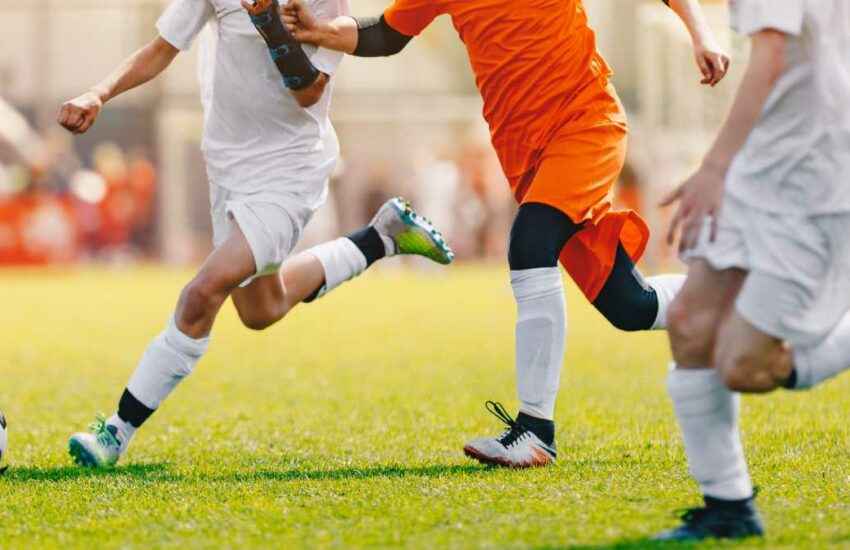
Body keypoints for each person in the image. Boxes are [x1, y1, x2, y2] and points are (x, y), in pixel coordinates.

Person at [281, 0, 729, 467]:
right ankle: (730, 293)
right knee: (630, 306)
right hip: (525, 154)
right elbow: (386, 35)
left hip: (585, 125)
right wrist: (321, 31)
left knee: (531, 241)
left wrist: (702, 34)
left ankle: (536, 431)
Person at [58, 0, 454, 468]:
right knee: (262, 309)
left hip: (289, 169)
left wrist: (268, 21)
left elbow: (309, 91)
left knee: (201, 294)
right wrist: (98, 93)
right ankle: (380, 237)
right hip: (226, 166)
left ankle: (116, 433)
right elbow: (164, 47)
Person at [655, 0, 850, 540]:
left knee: (745, 366)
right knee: (690, 323)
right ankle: (728, 507)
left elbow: (771, 54)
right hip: (761, 164)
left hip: (815, 179)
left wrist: (712, 167)